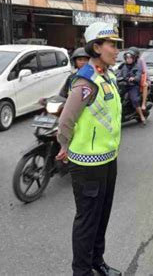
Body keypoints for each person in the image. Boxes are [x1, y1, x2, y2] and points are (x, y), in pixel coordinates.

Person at [56, 22, 122, 276]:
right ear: (96, 47)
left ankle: (97, 262)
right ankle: (81, 271)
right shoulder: (86, 81)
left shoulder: (108, 75)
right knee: (87, 221)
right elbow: (65, 121)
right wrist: (64, 145)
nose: (116, 50)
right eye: (112, 45)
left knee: (101, 217)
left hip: (108, 159)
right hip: (87, 164)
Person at [119, 50, 146, 124]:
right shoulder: (123, 66)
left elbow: (138, 76)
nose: (129, 59)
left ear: (133, 59)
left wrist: (134, 78)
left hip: (133, 86)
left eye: (130, 58)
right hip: (123, 85)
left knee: (134, 100)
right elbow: (118, 74)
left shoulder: (137, 67)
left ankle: (141, 116)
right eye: (127, 58)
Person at [130, 46, 149, 111]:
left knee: (145, 85)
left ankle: (143, 104)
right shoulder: (129, 59)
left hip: (142, 77)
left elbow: (144, 71)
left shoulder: (141, 60)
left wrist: (143, 81)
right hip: (132, 78)